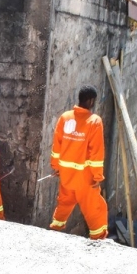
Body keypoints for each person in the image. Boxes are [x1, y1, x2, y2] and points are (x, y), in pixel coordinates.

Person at [49, 86, 108, 239]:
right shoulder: (94, 121)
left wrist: (56, 167)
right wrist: (98, 176)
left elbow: (57, 145)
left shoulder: (65, 117)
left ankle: (55, 229)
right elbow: (96, 152)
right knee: (94, 208)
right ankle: (98, 238)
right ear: (91, 101)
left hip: (67, 175)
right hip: (85, 178)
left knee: (64, 203)